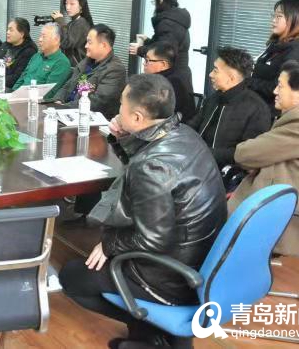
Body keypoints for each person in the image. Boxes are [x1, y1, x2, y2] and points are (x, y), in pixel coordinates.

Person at [59, 74, 226, 349]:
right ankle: (155, 336)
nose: (118, 110)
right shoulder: (184, 134)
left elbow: (152, 239)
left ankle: (151, 332)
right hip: (203, 260)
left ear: (137, 117)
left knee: (73, 277)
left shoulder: (151, 166)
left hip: (172, 277)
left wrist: (109, 244)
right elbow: (146, 166)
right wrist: (121, 138)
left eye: (121, 106)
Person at [230, 61, 299, 256]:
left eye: (280, 86)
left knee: (202, 222)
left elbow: (243, 154)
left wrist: (256, 159)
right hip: (279, 206)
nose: (274, 91)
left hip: (282, 218)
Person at [186, 47, 271, 190]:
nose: (210, 74)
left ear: (231, 77)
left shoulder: (257, 109)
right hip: (196, 164)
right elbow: (193, 125)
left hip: (223, 177)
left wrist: (204, 153)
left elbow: (246, 154)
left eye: (215, 70)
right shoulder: (215, 98)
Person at [249, 0, 299, 117]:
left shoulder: (298, 51)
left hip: (270, 114)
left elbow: (278, 87)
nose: (273, 20)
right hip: (258, 107)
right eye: (274, 15)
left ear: (295, 19)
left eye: (279, 16)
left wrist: (246, 81)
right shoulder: (279, 42)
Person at [51, 24, 127, 118]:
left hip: (88, 118)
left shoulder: (115, 70)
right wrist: (57, 101)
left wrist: (64, 107)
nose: (86, 46)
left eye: (89, 42)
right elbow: (68, 85)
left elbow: (98, 103)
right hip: (66, 112)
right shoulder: (87, 61)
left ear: (103, 45)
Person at [130, 0, 193, 94]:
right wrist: (147, 41)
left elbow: (165, 51)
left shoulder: (168, 23)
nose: (154, 6)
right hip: (179, 74)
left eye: (154, 2)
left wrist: (139, 50)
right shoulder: (176, 18)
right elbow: (162, 42)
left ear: (161, 1)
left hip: (172, 78)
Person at [142, 41, 195, 121]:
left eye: (147, 60)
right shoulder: (171, 75)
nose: (144, 64)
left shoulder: (170, 83)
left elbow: (154, 114)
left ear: (163, 64)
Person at [13, 23, 71, 95]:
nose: (40, 39)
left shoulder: (62, 62)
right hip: (19, 96)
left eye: (44, 37)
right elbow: (21, 79)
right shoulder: (36, 56)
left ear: (56, 40)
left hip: (35, 99)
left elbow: (48, 93)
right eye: (40, 36)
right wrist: (13, 93)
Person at [0, 18, 37, 92]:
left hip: (9, 89)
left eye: (11, 30)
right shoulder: (5, 45)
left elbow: (17, 77)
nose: (7, 32)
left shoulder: (29, 51)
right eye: (8, 29)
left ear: (22, 34)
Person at [52, 0, 94, 66]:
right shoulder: (73, 22)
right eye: (66, 3)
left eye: (72, 4)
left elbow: (66, 43)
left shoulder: (82, 23)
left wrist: (60, 22)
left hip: (77, 68)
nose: (67, 7)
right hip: (69, 65)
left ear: (81, 6)